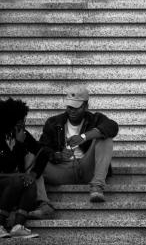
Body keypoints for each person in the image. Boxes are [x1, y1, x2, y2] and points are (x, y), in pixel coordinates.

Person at [29, 85, 119, 219]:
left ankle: (97, 186)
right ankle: (43, 205)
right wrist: (56, 155)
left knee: (105, 138)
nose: (72, 111)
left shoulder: (95, 119)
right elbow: (43, 147)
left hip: (87, 167)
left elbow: (112, 127)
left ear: (86, 106)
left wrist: (84, 137)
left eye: (76, 107)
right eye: (69, 106)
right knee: (30, 157)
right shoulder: (54, 122)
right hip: (62, 170)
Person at [0, 98, 50, 239]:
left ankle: (18, 227)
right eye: (19, 120)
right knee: (19, 179)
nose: (23, 122)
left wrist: (33, 174)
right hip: (3, 182)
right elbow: (7, 165)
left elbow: (43, 153)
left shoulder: (21, 133)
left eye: (23, 119)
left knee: (28, 180)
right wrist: (19, 144)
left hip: (14, 184)